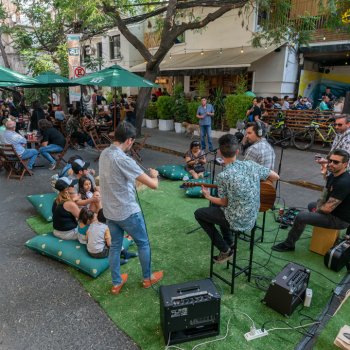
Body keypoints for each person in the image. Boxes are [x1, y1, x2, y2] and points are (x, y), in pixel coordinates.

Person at [99, 121, 163, 295]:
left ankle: (116, 283)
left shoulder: (104, 153)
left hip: (110, 212)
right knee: (143, 244)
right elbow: (153, 185)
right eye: (132, 142)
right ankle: (147, 278)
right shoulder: (124, 160)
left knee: (115, 247)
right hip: (127, 212)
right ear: (129, 140)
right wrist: (154, 176)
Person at [194, 134, 279, 263]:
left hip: (237, 220)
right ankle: (229, 241)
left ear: (219, 153)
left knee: (199, 213)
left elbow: (224, 202)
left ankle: (225, 250)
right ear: (238, 151)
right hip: (252, 217)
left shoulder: (223, 176)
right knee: (216, 207)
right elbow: (275, 176)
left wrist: (208, 196)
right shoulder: (251, 165)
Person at [272, 149, 350, 252]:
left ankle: (289, 244)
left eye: (336, 162)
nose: (331, 164)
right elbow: (324, 195)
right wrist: (318, 208)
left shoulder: (344, 182)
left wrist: (318, 211)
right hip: (333, 211)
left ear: (345, 164)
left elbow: (327, 209)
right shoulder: (333, 174)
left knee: (301, 216)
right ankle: (310, 222)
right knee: (311, 205)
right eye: (330, 160)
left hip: (339, 219)